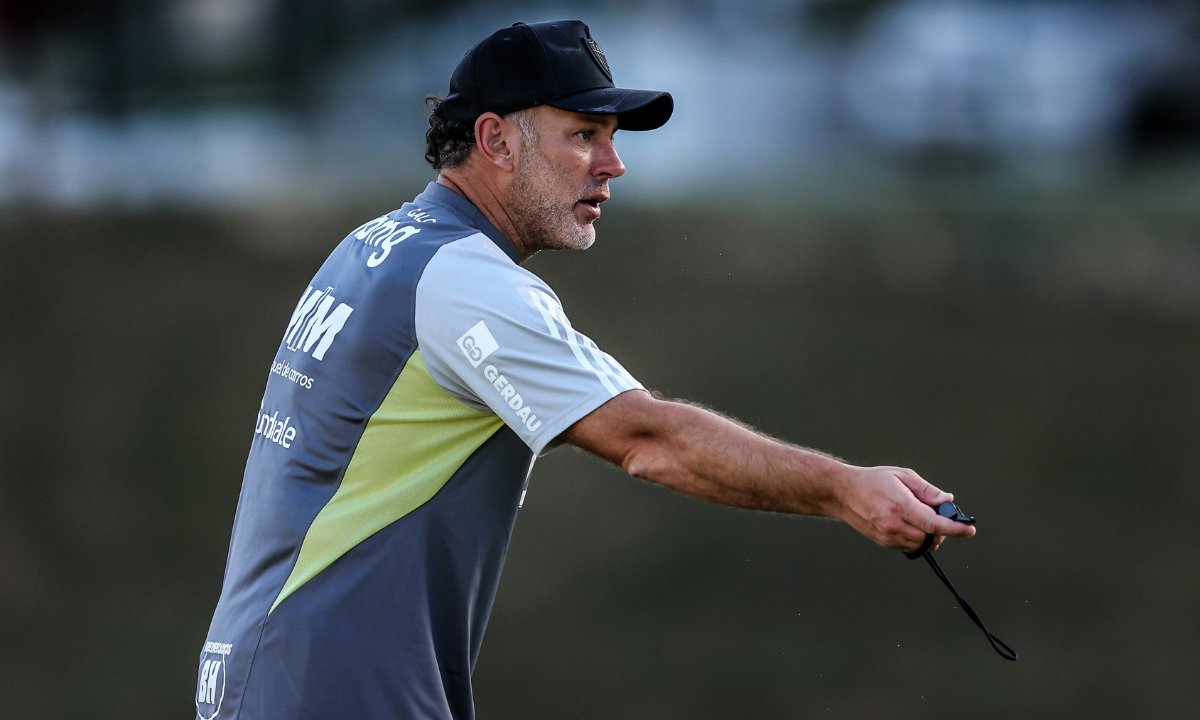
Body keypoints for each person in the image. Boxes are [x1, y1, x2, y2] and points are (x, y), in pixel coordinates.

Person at [194, 19, 976, 720]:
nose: (614, 164)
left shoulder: (376, 245)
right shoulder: (465, 280)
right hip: (331, 689)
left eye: (611, 136)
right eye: (583, 135)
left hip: (270, 674)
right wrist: (845, 489)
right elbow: (648, 440)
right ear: (497, 141)